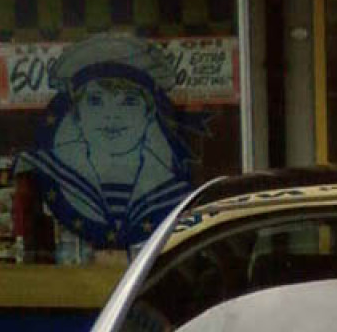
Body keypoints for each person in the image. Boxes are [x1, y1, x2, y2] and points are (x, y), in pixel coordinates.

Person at [18, 34, 204, 255]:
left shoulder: (171, 189)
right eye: (95, 101)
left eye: (129, 102)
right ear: (76, 114)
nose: (111, 116)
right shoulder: (52, 171)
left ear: (149, 113)